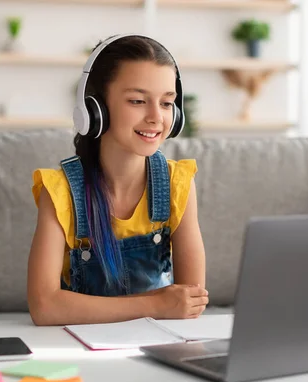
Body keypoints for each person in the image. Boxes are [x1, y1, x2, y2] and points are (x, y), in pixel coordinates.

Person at [27, 34, 208, 326]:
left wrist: (160, 306)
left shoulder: (178, 183)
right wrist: (155, 304)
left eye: (166, 103)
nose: (156, 117)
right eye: (137, 101)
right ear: (95, 109)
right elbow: (45, 307)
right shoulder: (60, 191)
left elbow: (191, 302)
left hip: (157, 343)